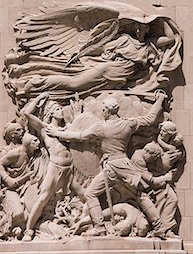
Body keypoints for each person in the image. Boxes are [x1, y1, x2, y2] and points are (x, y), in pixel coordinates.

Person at [46, 91, 167, 237]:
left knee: (90, 194)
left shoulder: (100, 128)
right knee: (140, 195)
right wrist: (159, 99)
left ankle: (99, 227)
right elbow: (150, 118)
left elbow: (78, 136)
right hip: (124, 165)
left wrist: (57, 133)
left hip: (111, 167)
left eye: (103, 109)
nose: (102, 112)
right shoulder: (127, 124)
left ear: (108, 111)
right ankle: (159, 228)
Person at [24, 21, 175, 94]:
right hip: (108, 70)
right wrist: (83, 53)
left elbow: (171, 38)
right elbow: (101, 48)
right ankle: (38, 82)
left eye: (142, 27)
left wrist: (163, 19)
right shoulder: (124, 40)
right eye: (137, 27)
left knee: (79, 88)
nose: (138, 30)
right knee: (75, 83)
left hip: (118, 78)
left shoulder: (149, 45)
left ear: (147, 29)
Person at [21, 92, 73, 241]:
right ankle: (29, 230)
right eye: (57, 109)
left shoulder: (68, 128)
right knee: (44, 197)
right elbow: (26, 113)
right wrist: (38, 99)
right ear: (50, 113)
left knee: (76, 196)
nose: (61, 111)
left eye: (61, 108)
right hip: (55, 167)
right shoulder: (45, 128)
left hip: (71, 169)